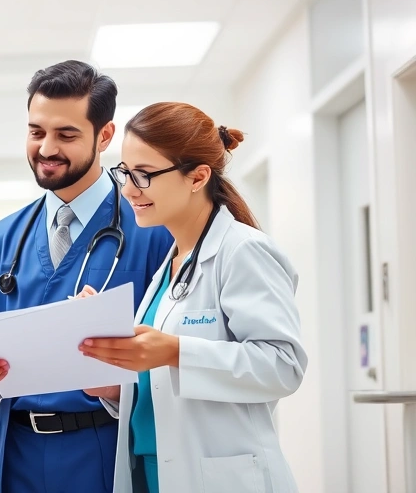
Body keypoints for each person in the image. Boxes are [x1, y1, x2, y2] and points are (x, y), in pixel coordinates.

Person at [0, 60, 174, 493]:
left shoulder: (152, 228)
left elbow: (180, 351)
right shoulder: (6, 235)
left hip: (108, 449)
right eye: (36, 132)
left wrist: (118, 385)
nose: (47, 148)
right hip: (16, 451)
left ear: (104, 136)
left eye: (66, 135)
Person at [79, 102, 307, 493]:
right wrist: (116, 388)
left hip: (221, 478)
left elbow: (283, 366)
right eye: (125, 173)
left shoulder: (242, 251)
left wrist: (174, 351)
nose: (129, 189)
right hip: (152, 472)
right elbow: (163, 388)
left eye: (145, 175)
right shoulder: (171, 264)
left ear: (198, 177)